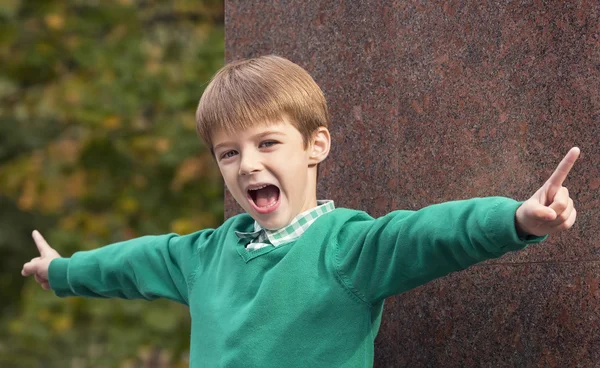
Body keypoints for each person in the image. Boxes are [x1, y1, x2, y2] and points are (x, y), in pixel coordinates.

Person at [21, 55, 580, 367]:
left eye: (268, 144)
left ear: (315, 146)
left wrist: (516, 220)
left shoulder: (347, 248)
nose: (247, 165)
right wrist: (63, 271)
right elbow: (131, 264)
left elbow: (428, 234)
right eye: (229, 153)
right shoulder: (205, 255)